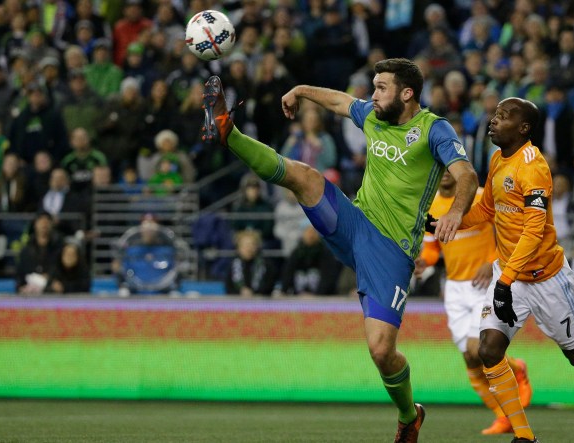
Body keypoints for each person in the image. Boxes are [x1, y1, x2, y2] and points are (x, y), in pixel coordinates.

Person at [201, 57, 479, 442]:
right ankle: (228, 132)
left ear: (407, 92)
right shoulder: (375, 116)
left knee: (382, 351)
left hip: (392, 252)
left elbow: (466, 174)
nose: (374, 94)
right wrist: (300, 90)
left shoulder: (434, 129)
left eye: (382, 87)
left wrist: (457, 212)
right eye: (375, 86)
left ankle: (408, 415)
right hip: (354, 224)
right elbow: (339, 101)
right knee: (306, 178)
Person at [446, 97, 574, 442]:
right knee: (489, 350)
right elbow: (486, 209)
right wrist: (448, 220)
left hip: (545, 277)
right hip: (509, 275)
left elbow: (534, 230)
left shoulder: (534, 167)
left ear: (523, 128)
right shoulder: (497, 159)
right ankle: (524, 436)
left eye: (503, 116)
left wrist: (504, 282)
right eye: (494, 115)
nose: (493, 121)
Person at [419, 171, 532, 436]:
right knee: (470, 360)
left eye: (451, 167)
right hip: (455, 287)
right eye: (440, 168)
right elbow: (432, 247)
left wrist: (492, 260)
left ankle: (517, 368)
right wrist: (425, 261)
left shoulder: (480, 197)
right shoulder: (430, 206)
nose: (446, 173)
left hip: (487, 282)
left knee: (477, 349)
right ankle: (503, 417)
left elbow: (509, 231)